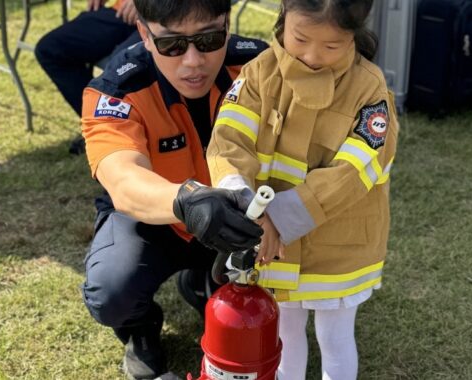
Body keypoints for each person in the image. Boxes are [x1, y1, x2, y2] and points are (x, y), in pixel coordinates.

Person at [206, 1, 399, 379]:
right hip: (270, 241)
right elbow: (230, 142)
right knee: (283, 331)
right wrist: (242, 200)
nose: (312, 55)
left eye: (332, 46)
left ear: (354, 34)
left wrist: (278, 216)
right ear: (283, 16)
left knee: (336, 335)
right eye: (300, 38)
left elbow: (354, 171)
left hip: (340, 246)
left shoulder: (369, 88)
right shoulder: (260, 73)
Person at [79, 0, 269, 378]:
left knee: (272, 309)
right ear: (144, 35)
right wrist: (187, 201)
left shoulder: (261, 67)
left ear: (228, 26)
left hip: (237, 216)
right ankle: (141, 327)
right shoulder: (116, 89)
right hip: (155, 220)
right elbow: (124, 180)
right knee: (112, 293)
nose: (193, 61)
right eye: (172, 45)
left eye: (210, 38)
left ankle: (204, 284)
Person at [35, 0, 141, 154]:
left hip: (166, 14)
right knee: (51, 49)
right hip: (123, 9)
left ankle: (128, 135)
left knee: (121, 64)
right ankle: (102, 128)